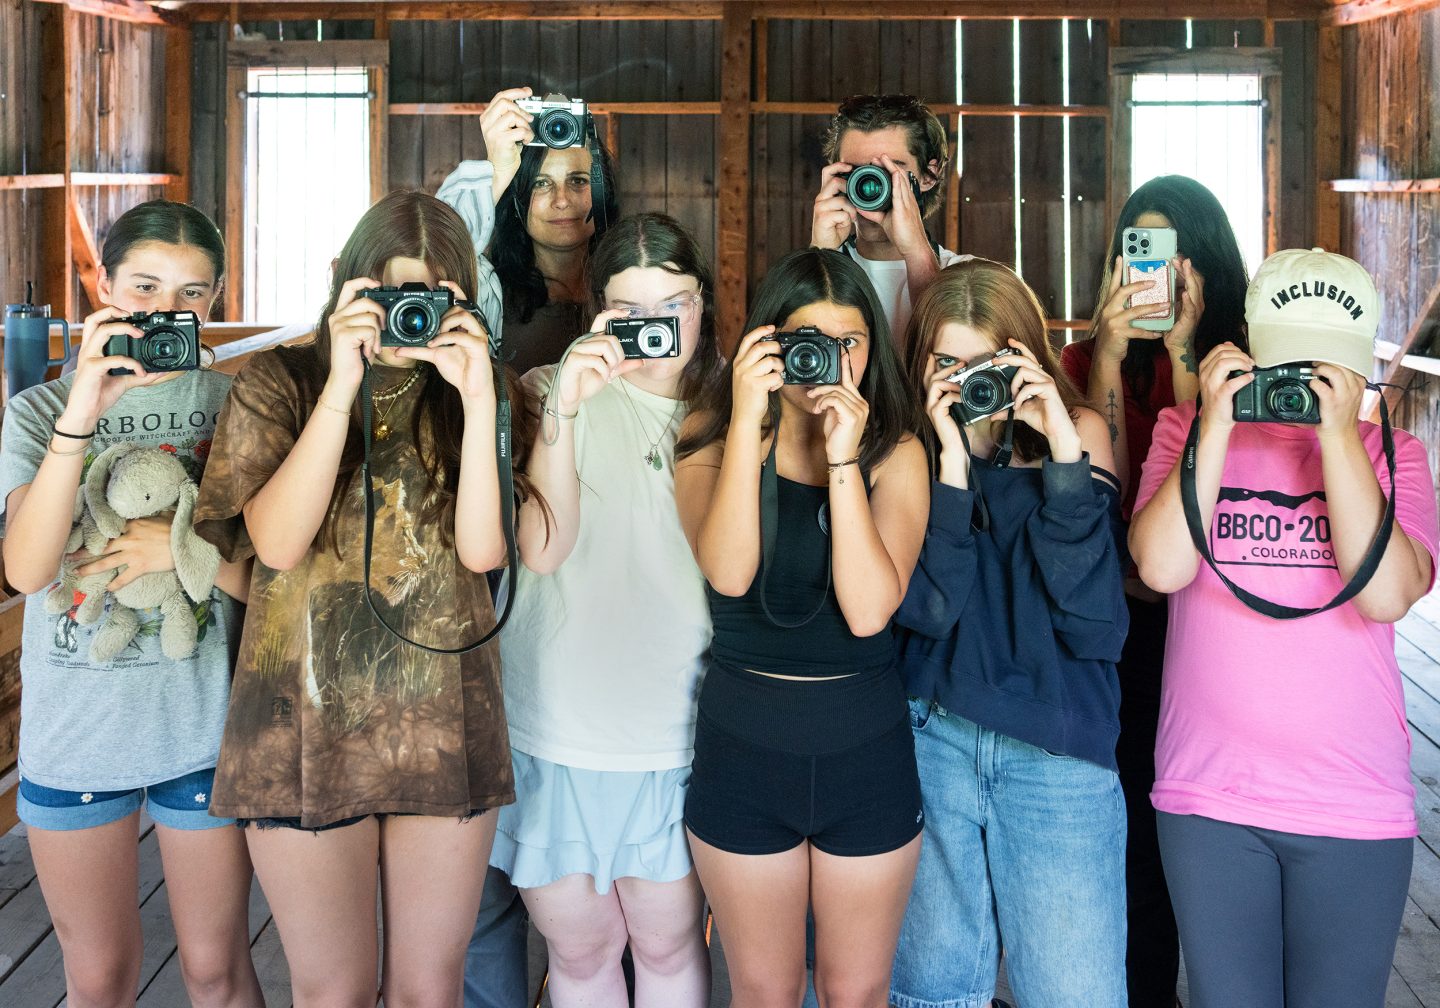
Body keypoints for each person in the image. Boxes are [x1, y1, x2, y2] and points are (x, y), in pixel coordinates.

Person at [193, 190, 537, 1007]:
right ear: (345, 287)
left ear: (460, 298)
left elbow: (484, 552)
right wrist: (340, 386)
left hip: (443, 719)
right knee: (332, 992)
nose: (404, 318)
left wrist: (482, 394)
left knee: (429, 989)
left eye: (426, 297)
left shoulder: (481, 393)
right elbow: (276, 544)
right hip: (298, 721)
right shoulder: (280, 381)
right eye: (386, 296)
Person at [1129, 248, 1438, 1008]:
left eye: (1323, 366)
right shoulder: (1185, 432)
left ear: (1360, 366)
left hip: (1353, 800)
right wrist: (1213, 419)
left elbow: (1388, 593)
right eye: (1288, 359)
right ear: (1248, 345)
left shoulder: (1395, 453)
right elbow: (1161, 567)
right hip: (1210, 797)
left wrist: (1338, 437)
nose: (1302, 381)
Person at [0, 199, 262, 1007]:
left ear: (213, 303)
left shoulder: (238, 407)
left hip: (200, 726)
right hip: (77, 730)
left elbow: (276, 586)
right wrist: (82, 410)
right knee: (100, 978)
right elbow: (25, 568)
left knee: (216, 972)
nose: (166, 311)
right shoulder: (38, 411)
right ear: (105, 286)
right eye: (145, 286)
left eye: (192, 293)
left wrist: (185, 552)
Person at [675, 247, 930, 1007]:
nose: (829, 360)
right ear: (767, 344)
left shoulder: (897, 451)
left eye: (849, 341)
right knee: (764, 989)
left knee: (858, 991)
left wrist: (843, 458)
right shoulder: (712, 437)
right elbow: (728, 573)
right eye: (807, 340)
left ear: (870, 350)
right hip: (744, 751)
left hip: (865, 751)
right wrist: (750, 423)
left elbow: (867, 609)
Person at [494, 212, 722, 1007]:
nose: (655, 327)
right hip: (557, 727)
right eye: (630, 312)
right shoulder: (546, 392)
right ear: (599, 314)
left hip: (677, 731)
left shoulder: (733, 410)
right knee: (583, 954)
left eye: (675, 304)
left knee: (666, 947)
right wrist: (563, 409)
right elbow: (543, 550)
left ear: (705, 305)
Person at [889, 259, 1128, 1008]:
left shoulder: (1078, 429)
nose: (966, 383)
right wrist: (954, 470)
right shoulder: (912, 450)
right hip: (935, 739)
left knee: (1073, 993)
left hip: (1057, 751)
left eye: (984, 362)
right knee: (932, 992)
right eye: (947, 363)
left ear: (1022, 355)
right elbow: (925, 612)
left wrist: (1059, 450)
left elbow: (1094, 620)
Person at [1058, 174, 1249, 1008]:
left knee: (1201, 843)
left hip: (1213, 634)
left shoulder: (1240, 362)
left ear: (1202, 264)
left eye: (1172, 252)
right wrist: (1106, 355)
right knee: (1128, 828)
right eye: (1141, 248)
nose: (1156, 271)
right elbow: (1120, 508)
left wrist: (1183, 356)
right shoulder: (1078, 360)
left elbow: (1188, 512)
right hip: (1120, 627)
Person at [438, 85, 620, 375]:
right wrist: (496, 169)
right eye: (541, 183)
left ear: (603, 191)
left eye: (578, 181)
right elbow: (433, 258)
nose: (561, 200)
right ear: (517, 199)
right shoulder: (486, 292)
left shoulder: (632, 292)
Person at [810, 93, 969, 343]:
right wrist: (820, 255)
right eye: (855, 171)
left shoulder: (969, 277)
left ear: (929, 175)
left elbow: (948, 352)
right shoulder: (804, 274)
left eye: (887, 170)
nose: (870, 184)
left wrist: (917, 253)